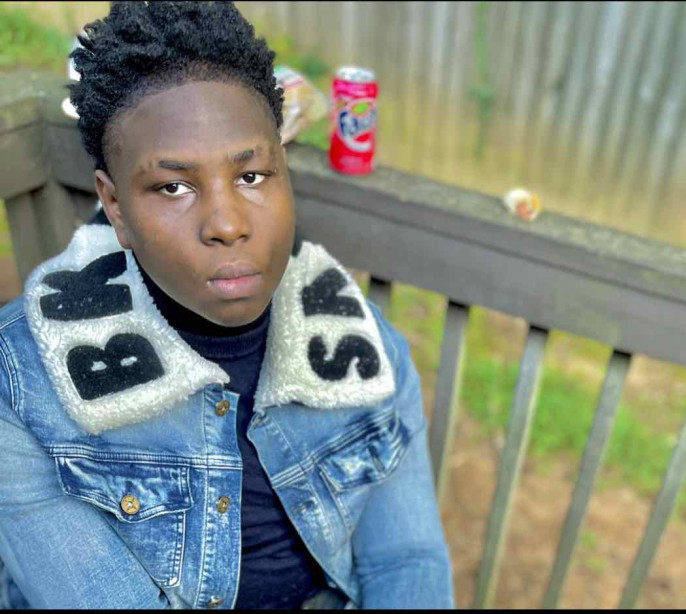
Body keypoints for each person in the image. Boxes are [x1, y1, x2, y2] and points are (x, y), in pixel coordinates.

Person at [0, 1, 453, 609]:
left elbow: (407, 559)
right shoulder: (22, 386)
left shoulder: (362, 345)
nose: (227, 224)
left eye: (251, 176)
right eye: (173, 187)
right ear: (115, 207)